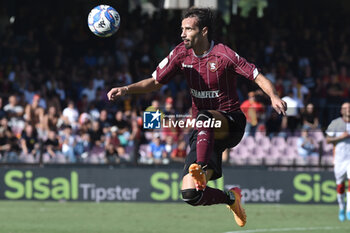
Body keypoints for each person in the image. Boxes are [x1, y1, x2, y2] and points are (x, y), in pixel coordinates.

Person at [107, 7, 286, 227]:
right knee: (190, 194)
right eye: (181, 29)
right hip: (203, 132)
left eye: (188, 29)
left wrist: (274, 96)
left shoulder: (224, 54)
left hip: (230, 122)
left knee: (202, 118)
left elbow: (257, 77)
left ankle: (200, 167)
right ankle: (231, 198)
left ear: (203, 31)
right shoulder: (180, 54)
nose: (182, 34)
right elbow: (154, 82)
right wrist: (125, 89)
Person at [326, 102, 350, 221]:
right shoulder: (335, 123)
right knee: (340, 186)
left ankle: (349, 210)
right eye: (345, 108)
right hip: (340, 160)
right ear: (341, 111)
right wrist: (341, 137)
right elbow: (328, 140)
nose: (348, 110)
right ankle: (341, 208)